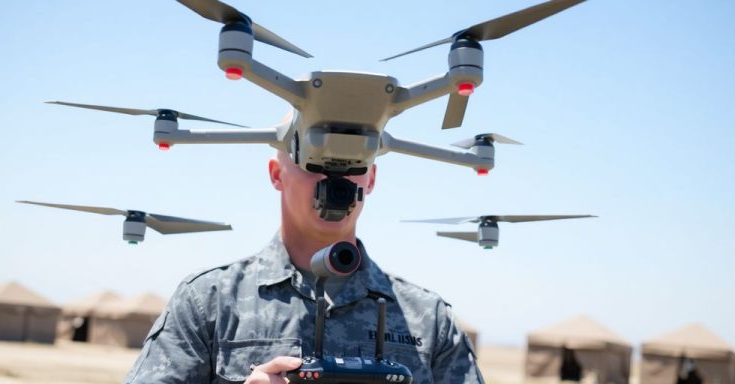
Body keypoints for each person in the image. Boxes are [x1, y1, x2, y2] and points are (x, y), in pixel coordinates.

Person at [124, 151, 484, 383]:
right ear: (276, 173)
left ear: (371, 178)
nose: (335, 182)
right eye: (314, 163)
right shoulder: (210, 302)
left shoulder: (428, 320)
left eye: (353, 163)